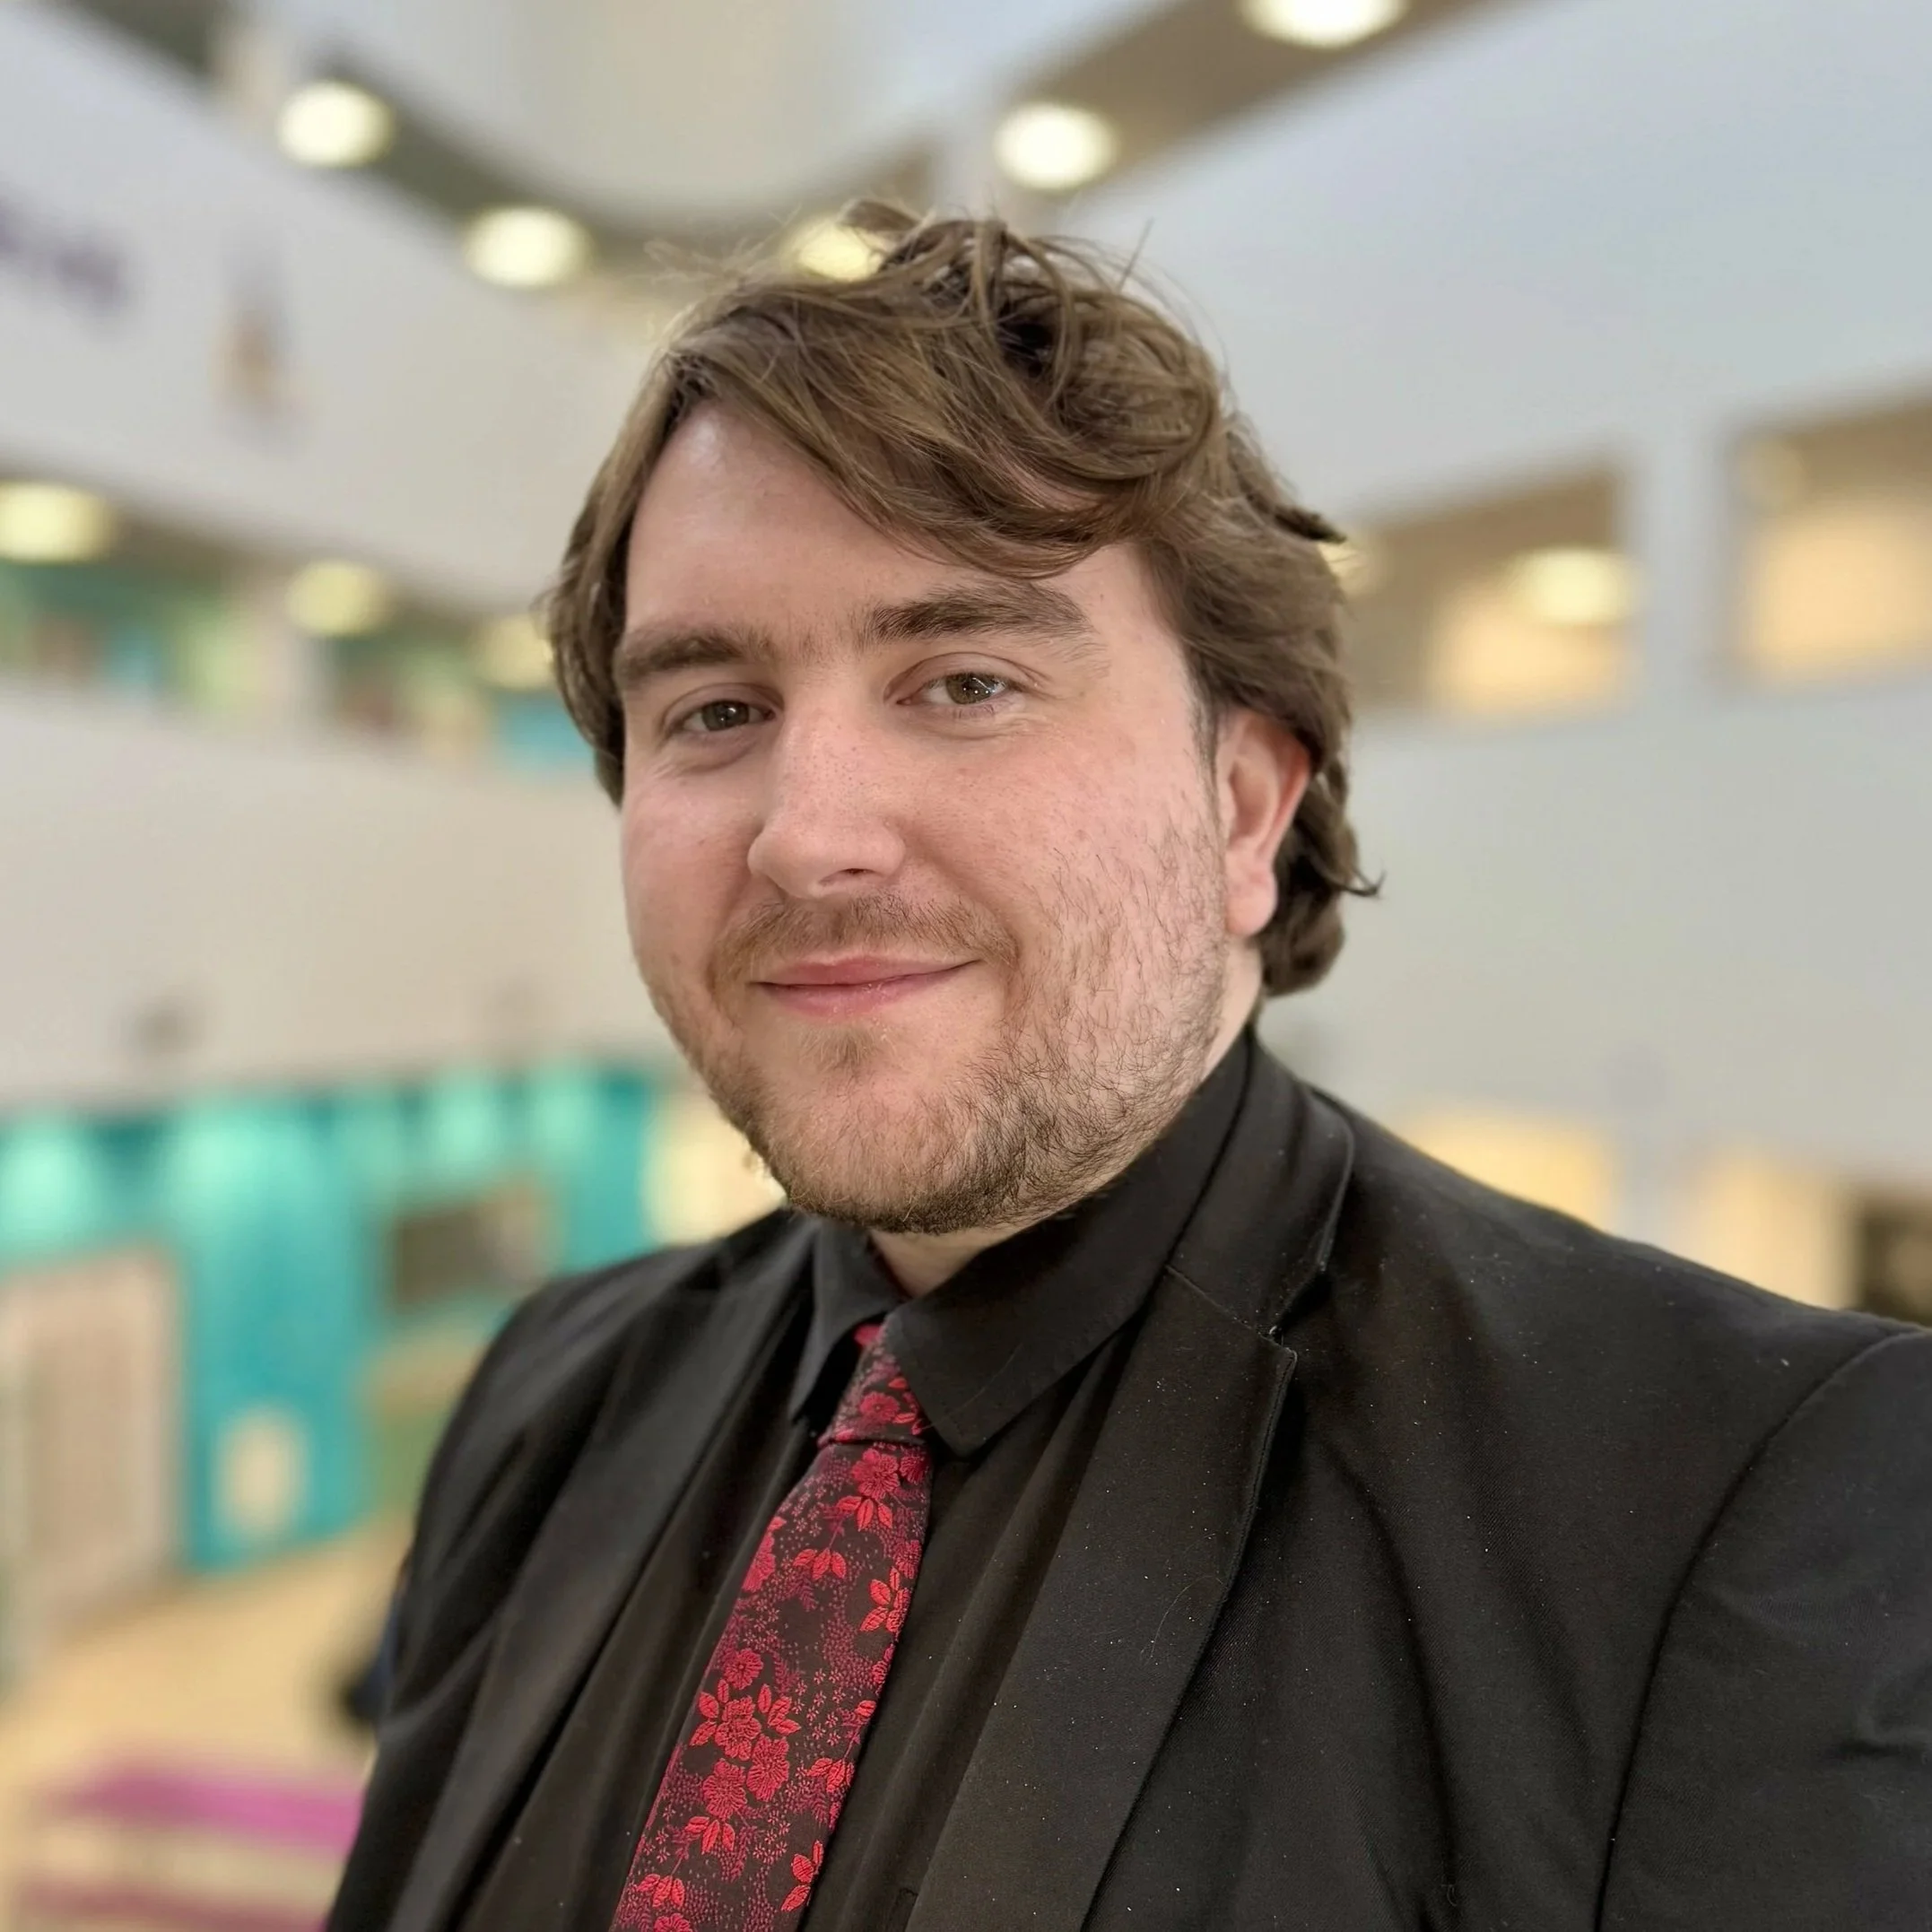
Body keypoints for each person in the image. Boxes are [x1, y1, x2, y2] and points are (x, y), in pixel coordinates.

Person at [332, 208, 1932, 1932]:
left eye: (964, 680)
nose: (806, 836)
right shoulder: (554, 1394)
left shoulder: (1712, 1498)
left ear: (1241, 807)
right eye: (714, 711)